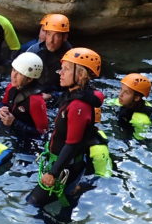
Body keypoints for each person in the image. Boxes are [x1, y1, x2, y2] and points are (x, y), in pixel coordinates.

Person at [26, 48, 109, 210]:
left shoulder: (79, 105)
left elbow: (72, 144)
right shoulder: (74, 95)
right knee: (50, 205)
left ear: (80, 75)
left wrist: (53, 174)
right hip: (63, 164)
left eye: (66, 69)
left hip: (64, 168)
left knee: (32, 205)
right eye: (61, 68)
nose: (60, 73)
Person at [0, 52, 49, 153]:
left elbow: (43, 133)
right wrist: (1, 109)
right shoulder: (11, 87)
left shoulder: (36, 101)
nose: (13, 75)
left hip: (26, 141)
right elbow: (3, 103)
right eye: (13, 70)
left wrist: (14, 123)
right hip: (11, 130)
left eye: (19, 73)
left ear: (29, 79)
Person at [24, 13, 73, 102]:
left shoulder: (71, 57)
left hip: (57, 95)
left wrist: (52, 96)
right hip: (35, 92)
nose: (51, 40)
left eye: (56, 35)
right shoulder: (33, 51)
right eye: (49, 34)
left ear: (65, 37)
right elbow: (19, 81)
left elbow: (75, 91)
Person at [105, 73, 152, 142]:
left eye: (126, 92)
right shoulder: (122, 101)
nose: (120, 95)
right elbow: (105, 103)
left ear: (136, 98)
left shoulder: (140, 121)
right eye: (121, 89)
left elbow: (139, 141)